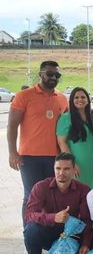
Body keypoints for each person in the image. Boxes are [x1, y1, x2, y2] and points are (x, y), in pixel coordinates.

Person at [8, 60, 68, 222]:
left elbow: (68, 124)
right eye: (49, 74)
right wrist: (13, 152)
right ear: (40, 74)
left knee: (52, 195)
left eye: (57, 75)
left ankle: (47, 232)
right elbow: (12, 126)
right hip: (29, 157)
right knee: (31, 196)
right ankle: (29, 232)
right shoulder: (24, 96)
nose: (53, 77)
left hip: (55, 158)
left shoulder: (62, 99)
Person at [23, 153, 93, 254]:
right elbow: (29, 215)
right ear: (53, 169)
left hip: (72, 235)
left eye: (66, 169)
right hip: (49, 231)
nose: (61, 173)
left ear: (74, 170)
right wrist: (53, 217)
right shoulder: (41, 187)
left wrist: (86, 243)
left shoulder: (83, 190)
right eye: (58, 168)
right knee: (30, 230)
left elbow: (86, 219)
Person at [56, 87, 93, 189]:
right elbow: (62, 142)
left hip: (91, 164)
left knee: (91, 192)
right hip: (76, 164)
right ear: (71, 100)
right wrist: (72, 164)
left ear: (88, 100)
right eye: (76, 97)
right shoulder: (66, 118)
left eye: (83, 97)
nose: (80, 99)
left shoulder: (92, 118)